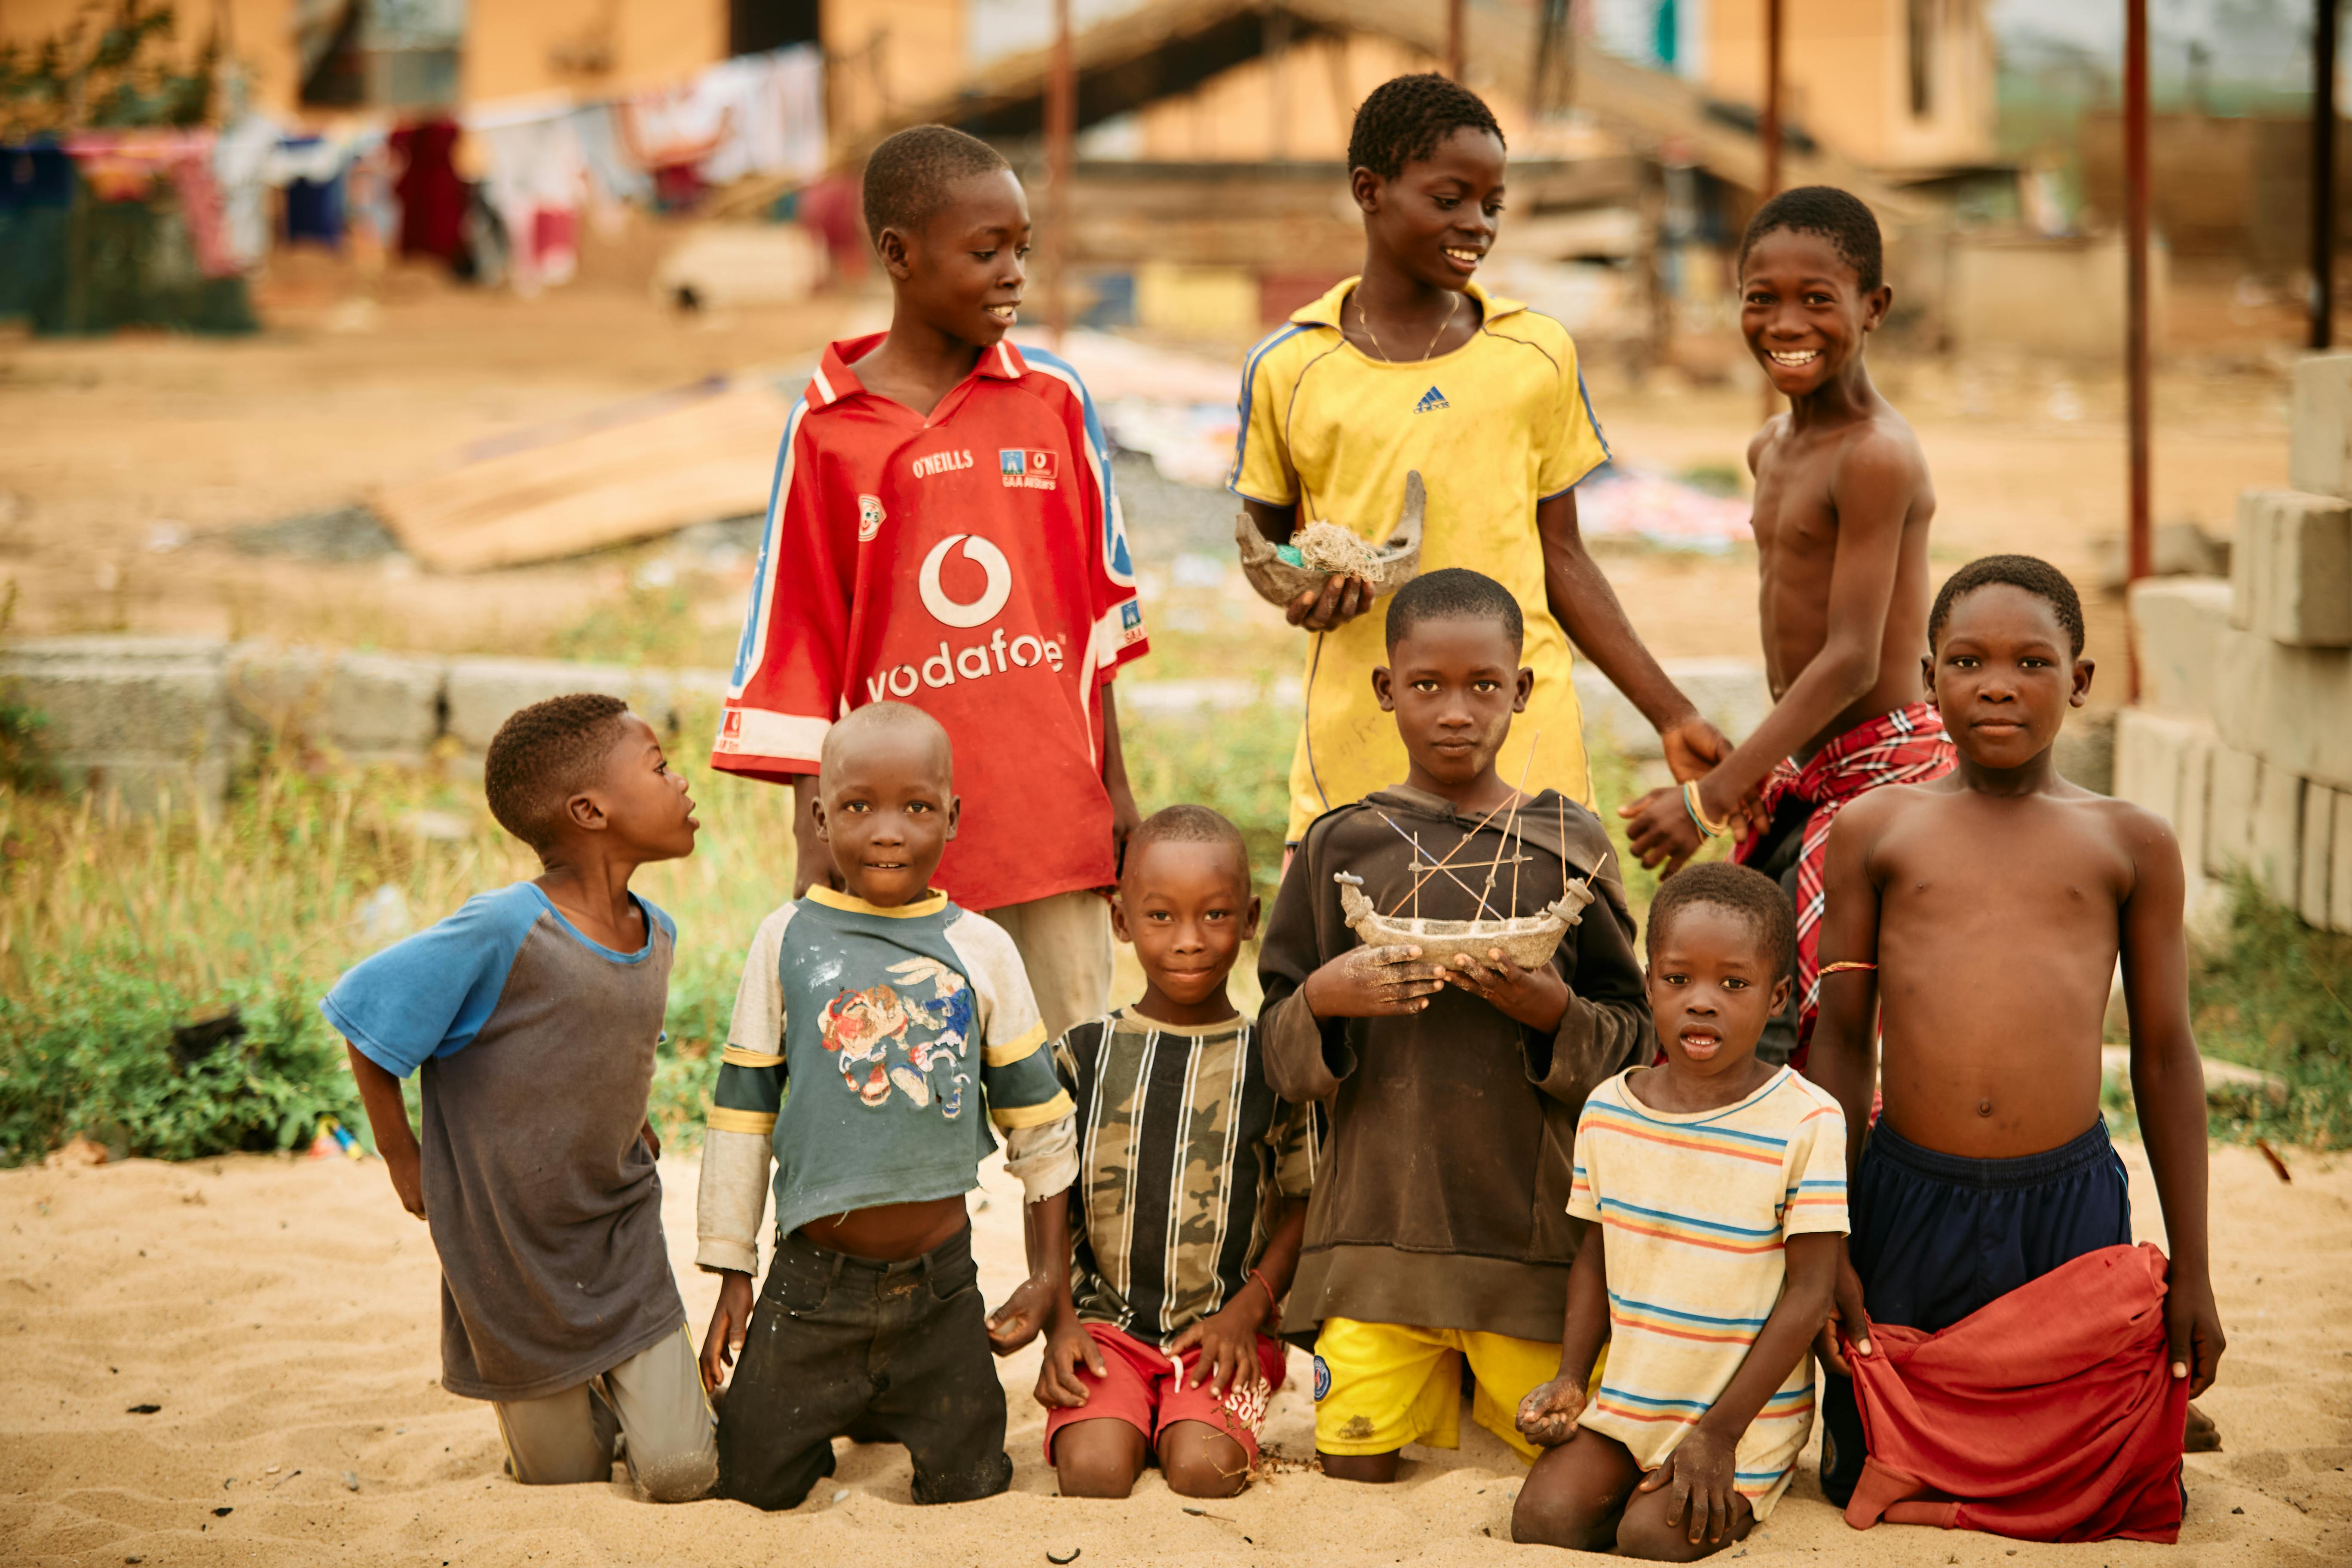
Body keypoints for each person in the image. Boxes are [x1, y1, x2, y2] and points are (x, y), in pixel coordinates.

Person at [1805, 556, 2224, 1541]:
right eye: (1969, 661)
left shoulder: (2130, 842)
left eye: (2033, 662)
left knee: (2109, 1487)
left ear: (2081, 682)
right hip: (1907, 1197)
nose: (1998, 684)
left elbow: (2166, 1056)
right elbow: (1840, 1042)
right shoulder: (1875, 830)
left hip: (2068, 1207)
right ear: (1928, 678)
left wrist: (2194, 1272)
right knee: (1859, 1469)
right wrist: (1828, 1237)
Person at [712, 123, 1147, 1043]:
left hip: (1052, 829)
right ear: (898, 255)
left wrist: (1116, 795)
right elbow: (803, 644)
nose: (1013, 274)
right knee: (907, 1101)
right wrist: (813, 841)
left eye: (1023, 250)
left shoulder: (1055, 402)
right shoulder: (829, 431)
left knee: (1069, 1089)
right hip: (892, 851)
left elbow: (1096, 625)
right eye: (985, 252)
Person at [1229, 73, 1730, 854]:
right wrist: (1309, 589)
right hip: (1363, 740)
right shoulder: (1292, 367)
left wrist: (1672, 712)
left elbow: (1562, 555)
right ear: (1371, 190)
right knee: (1371, 965)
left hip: (1527, 738)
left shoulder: (1533, 353)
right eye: (1449, 199)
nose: (1477, 225)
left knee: (1539, 958)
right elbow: (1267, 552)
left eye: (1492, 205)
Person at [1258, 567, 1653, 1481]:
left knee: (1558, 1468)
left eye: (1484, 687)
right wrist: (1327, 997)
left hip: (1525, 1245)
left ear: (1522, 691)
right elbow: (1277, 1038)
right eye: (1426, 686)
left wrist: (1552, 1010)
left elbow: (1635, 1038)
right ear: (1386, 690)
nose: (1455, 712)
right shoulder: (1340, 847)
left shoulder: (1570, 845)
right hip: (1374, 1241)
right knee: (1354, 1467)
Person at [325, 694, 715, 1501]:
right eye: (659, 767)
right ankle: (593, 1405)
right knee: (559, 1477)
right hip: (509, 1253)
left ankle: (638, 1396)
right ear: (590, 810)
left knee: (682, 1475)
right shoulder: (503, 926)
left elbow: (607, 1040)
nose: (682, 783)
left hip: (617, 1233)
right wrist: (403, 1160)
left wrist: (629, 1114)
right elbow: (366, 1019)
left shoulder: (659, 933)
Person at [694, 702, 1079, 1511]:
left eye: (917, 807)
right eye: (860, 806)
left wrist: (1049, 1280)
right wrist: (734, 1265)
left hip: (940, 1293)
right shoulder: (787, 938)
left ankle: (879, 1400)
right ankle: (826, 1397)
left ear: (953, 816)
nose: (888, 831)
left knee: (969, 1483)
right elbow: (743, 1112)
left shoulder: (982, 948)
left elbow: (1039, 1127)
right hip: (810, 1288)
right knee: (753, 1480)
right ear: (820, 815)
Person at [1619, 185, 1949, 1072]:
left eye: (1818, 298)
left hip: (1875, 776)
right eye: (1761, 298)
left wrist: (1712, 797)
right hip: (1805, 775)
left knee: (1823, 1030)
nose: (1785, 321)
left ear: (1873, 308)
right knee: (1743, 1012)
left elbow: (1850, 662)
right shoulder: (1770, 449)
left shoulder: (1877, 454)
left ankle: (1837, 1205)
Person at [1511, 863, 1847, 1559]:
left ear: (1778, 996)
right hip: (1635, 1400)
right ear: (1648, 985)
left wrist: (1721, 1436)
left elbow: (1812, 1292)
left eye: (1734, 984)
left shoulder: (1808, 1120)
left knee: (1650, 1538)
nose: (1702, 1002)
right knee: (1544, 1522)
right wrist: (1574, 1377)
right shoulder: (1609, 1109)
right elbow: (1595, 1256)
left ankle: (1710, 1467)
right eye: (1677, 980)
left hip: (1746, 1419)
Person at [989, 804, 1315, 1500]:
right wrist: (1063, 1323)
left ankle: (1186, 1411)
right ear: (1120, 921)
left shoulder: (1273, 1062)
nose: (1190, 941)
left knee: (1207, 1472)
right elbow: (1046, 1191)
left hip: (1226, 1328)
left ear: (1252, 918)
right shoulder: (1081, 1056)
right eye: (1161, 917)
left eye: (1216, 916)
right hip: (1103, 1327)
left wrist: (1248, 1311)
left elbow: (1306, 1202)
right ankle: (1131, 1407)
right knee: (1095, 1473)